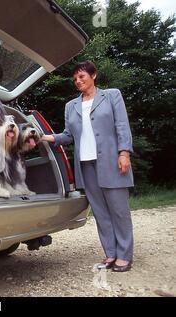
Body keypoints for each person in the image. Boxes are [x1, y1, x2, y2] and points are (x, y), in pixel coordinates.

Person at [41, 60, 134, 272]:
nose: (78, 81)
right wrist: (46, 137)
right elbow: (68, 136)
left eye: (82, 77)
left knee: (119, 211)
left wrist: (124, 152)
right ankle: (111, 254)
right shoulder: (71, 106)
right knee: (101, 212)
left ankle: (125, 256)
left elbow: (122, 125)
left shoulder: (111, 96)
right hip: (86, 166)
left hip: (112, 161)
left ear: (94, 75)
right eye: (75, 79)